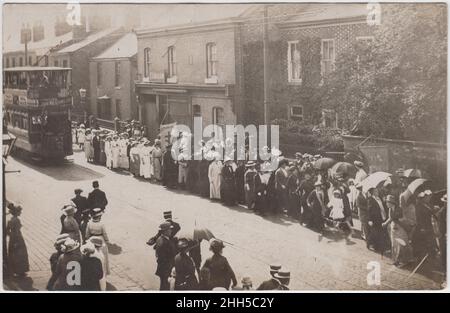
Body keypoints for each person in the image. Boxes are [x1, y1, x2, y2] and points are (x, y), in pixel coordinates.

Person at [382, 195, 413, 266]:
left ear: (391, 203)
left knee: (402, 243)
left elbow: (401, 219)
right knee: (394, 244)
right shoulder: (390, 209)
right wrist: (385, 223)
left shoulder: (399, 209)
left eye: (387, 202)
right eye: (386, 202)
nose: (386, 204)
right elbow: (390, 218)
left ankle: (405, 260)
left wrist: (398, 221)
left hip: (400, 227)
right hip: (394, 227)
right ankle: (396, 260)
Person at [85, 208, 110, 278]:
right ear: (99, 216)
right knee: (103, 257)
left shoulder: (89, 223)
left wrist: (88, 240)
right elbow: (105, 234)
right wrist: (107, 241)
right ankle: (103, 272)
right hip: (100, 240)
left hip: (92, 240)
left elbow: (87, 235)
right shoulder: (101, 224)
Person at [6, 204, 29, 277]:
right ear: (16, 212)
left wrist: (11, 236)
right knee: (20, 254)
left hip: (12, 239)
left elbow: (7, 230)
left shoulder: (10, 220)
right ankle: (20, 270)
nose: (20, 213)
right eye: (19, 211)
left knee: (13, 254)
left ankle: (13, 270)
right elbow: (16, 231)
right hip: (18, 239)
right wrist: (16, 239)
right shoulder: (17, 220)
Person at [413, 190, 437, 259]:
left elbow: (431, 212)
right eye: (427, 197)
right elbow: (418, 218)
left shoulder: (428, 205)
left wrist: (434, 209)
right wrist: (422, 227)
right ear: (423, 198)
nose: (428, 199)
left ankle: (431, 255)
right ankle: (423, 257)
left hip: (429, 225)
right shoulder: (419, 206)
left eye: (429, 197)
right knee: (423, 242)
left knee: (430, 241)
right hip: (422, 226)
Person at [154, 222, 177, 290]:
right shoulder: (163, 242)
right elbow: (163, 258)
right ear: (165, 231)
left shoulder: (161, 239)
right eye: (169, 229)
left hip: (163, 269)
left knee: (164, 286)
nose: (171, 231)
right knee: (165, 287)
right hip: (166, 269)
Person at [367, 188, 389, 253]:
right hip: (375, 218)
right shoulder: (370, 199)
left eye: (377, 191)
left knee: (378, 232)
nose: (378, 192)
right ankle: (370, 244)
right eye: (376, 191)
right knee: (375, 232)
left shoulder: (379, 198)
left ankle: (377, 246)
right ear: (373, 192)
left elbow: (382, 206)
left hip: (382, 217)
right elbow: (369, 210)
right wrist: (369, 220)